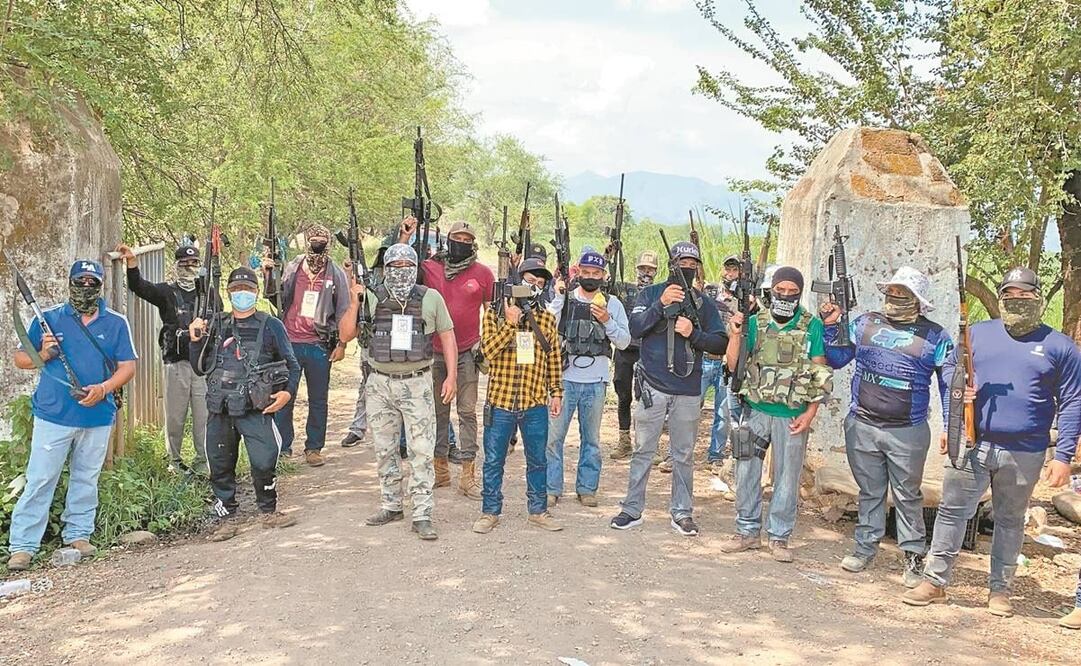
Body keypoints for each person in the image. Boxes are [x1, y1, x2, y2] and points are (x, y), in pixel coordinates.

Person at [904, 267, 1081, 616]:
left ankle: (1000, 590)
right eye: (1009, 295)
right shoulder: (976, 335)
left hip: (1026, 451)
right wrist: (955, 414)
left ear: (1038, 298)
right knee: (952, 513)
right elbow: (952, 380)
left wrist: (1063, 456)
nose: (1017, 300)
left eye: (1024, 294)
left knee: (1010, 520)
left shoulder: (1061, 347)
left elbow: (1074, 401)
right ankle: (935, 582)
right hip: (972, 443)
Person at [821, 267, 952, 587]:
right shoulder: (865, 323)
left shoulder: (936, 336)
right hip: (862, 424)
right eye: (890, 292)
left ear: (918, 301)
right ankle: (865, 547)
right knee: (870, 491)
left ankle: (913, 556)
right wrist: (830, 327)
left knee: (907, 495)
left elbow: (949, 384)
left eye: (901, 294)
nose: (893, 298)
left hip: (907, 430)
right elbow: (837, 359)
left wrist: (951, 425)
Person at [7, 260, 137, 571]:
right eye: (81, 281)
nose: (86, 287)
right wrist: (45, 354)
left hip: (97, 415)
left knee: (86, 478)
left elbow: (128, 366)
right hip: (54, 415)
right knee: (40, 479)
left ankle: (78, 534)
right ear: (70, 283)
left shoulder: (116, 322)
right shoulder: (49, 319)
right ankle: (23, 546)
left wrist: (104, 389)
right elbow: (20, 359)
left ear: (101, 285)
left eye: (93, 281)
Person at [608, 241, 727, 537]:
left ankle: (682, 512)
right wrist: (659, 306)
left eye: (692, 264)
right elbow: (635, 328)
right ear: (671, 264)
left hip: (687, 389)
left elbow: (720, 343)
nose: (686, 268)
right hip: (652, 386)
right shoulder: (649, 294)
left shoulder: (703, 303)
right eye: (681, 262)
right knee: (643, 450)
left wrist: (694, 334)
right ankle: (632, 508)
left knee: (683, 454)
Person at [339, 243, 457, 540]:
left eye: (407, 266)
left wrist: (451, 376)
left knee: (421, 449)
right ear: (385, 269)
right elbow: (345, 334)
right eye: (395, 266)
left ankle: (422, 513)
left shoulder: (430, 298)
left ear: (416, 268)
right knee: (384, 448)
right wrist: (354, 302)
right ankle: (391, 504)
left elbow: (447, 335)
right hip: (379, 384)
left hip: (417, 382)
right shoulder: (371, 297)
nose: (401, 271)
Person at [720, 266, 832, 562]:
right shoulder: (755, 322)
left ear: (800, 293)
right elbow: (733, 366)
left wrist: (811, 413)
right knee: (745, 472)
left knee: (787, 477)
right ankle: (747, 532)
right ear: (771, 291)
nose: (785, 296)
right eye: (780, 290)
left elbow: (820, 370)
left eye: (792, 292)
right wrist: (734, 335)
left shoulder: (811, 325)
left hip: (792, 415)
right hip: (755, 410)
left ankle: (779, 537)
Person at [189, 267, 300, 541]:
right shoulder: (215, 324)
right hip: (220, 408)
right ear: (227, 292)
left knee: (265, 459)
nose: (242, 295)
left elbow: (292, 365)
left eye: (248, 290)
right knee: (219, 462)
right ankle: (226, 514)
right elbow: (199, 366)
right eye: (237, 289)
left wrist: (286, 393)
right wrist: (195, 339)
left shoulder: (271, 325)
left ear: (257, 292)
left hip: (255, 407)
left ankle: (268, 510)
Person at [397, 217, 492, 499]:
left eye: (467, 240)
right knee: (438, 413)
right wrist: (403, 238)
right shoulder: (429, 267)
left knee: (466, 412)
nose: (461, 244)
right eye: (457, 239)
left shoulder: (483, 274)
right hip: (432, 351)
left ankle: (468, 474)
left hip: (467, 352)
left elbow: (491, 313)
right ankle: (440, 471)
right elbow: (399, 268)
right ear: (447, 240)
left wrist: (487, 346)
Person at [472, 258, 564, 534]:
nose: (534, 286)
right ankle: (490, 512)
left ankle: (538, 510)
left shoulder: (546, 318)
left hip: (534, 400)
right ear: (517, 281)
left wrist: (556, 392)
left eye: (540, 283)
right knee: (493, 460)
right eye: (529, 280)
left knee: (537, 459)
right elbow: (487, 352)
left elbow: (554, 358)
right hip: (500, 401)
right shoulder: (495, 314)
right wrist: (510, 324)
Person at [546, 250, 631, 507]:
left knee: (591, 440)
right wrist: (559, 297)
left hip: (596, 382)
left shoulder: (612, 304)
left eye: (596, 273)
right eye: (586, 273)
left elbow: (625, 342)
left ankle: (587, 488)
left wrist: (607, 322)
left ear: (603, 276)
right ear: (578, 273)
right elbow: (547, 325)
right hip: (564, 380)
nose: (591, 277)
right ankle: (551, 488)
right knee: (553, 439)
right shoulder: (566, 299)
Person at [116, 243, 209, 476]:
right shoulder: (167, 292)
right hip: (175, 361)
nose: (189, 268)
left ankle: (203, 462)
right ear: (176, 265)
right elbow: (139, 287)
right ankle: (174, 462)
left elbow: (219, 320)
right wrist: (132, 263)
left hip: (202, 365)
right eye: (184, 264)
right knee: (175, 416)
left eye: (194, 264)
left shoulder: (207, 293)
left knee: (204, 417)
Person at [272, 223, 351, 466]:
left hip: (319, 345)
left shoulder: (334, 272)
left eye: (321, 239)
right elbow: (277, 296)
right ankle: (282, 447)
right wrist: (268, 272)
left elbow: (343, 309)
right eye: (313, 238)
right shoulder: (294, 266)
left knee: (318, 399)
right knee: (286, 396)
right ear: (307, 240)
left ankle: (314, 448)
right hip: (290, 343)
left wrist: (342, 344)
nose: (317, 243)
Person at [611, 251, 660, 460]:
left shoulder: (658, 293)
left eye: (650, 269)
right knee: (623, 395)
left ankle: (647, 444)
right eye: (642, 268)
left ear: (656, 271)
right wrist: (610, 256)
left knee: (645, 397)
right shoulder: (623, 289)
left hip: (647, 351)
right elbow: (606, 285)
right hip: (624, 348)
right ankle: (624, 440)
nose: (645, 273)